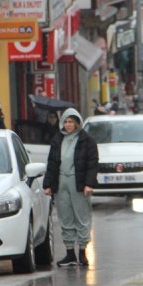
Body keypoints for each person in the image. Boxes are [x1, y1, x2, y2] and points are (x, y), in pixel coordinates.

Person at [42, 107, 99, 268]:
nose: (68, 125)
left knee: (82, 216)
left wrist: (89, 183)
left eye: (71, 122)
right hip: (61, 182)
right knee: (65, 216)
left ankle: (82, 251)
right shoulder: (57, 139)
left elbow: (92, 163)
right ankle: (69, 253)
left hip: (78, 182)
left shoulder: (86, 141)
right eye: (66, 122)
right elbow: (52, 163)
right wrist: (48, 184)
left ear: (77, 123)